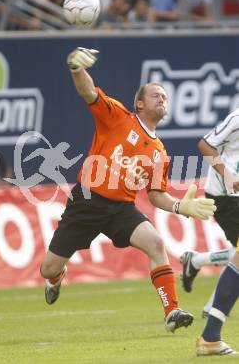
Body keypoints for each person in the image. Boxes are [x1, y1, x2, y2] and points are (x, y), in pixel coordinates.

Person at [40, 47, 216, 333]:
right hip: (86, 201)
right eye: (156, 95)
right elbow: (88, 92)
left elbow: (156, 195)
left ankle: (172, 311)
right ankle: (57, 277)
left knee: (157, 244)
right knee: (47, 268)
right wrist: (76, 68)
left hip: (120, 209)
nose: (162, 99)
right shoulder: (118, 117)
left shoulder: (160, 152)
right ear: (140, 103)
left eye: (165, 97)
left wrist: (180, 207)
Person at [178, 109, 239, 355]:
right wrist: (227, 173)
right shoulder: (238, 119)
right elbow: (205, 144)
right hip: (227, 197)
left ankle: (198, 260)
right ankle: (210, 336)